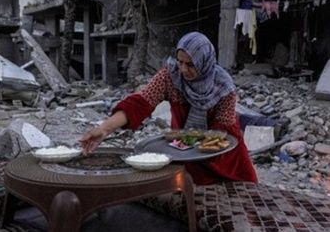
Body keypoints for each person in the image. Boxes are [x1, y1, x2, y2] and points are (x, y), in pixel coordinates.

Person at [80, 32, 258, 185]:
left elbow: (222, 133)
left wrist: (194, 146)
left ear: (204, 62)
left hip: (224, 157)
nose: (183, 69)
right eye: (180, 62)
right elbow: (140, 103)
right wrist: (104, 129)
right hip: (185, 153)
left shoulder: (223, 86)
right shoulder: (170, 76)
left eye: (190, 64)